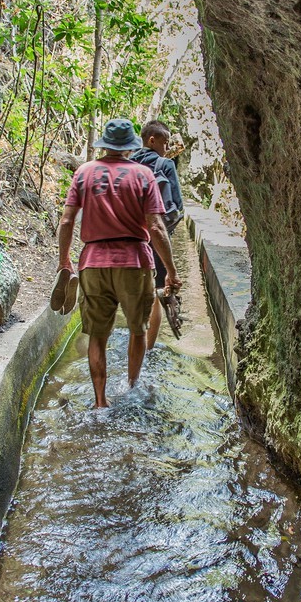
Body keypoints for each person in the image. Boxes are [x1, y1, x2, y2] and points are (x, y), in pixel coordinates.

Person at [56, 118, 181, 408]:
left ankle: (100, 401)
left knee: (97, 334)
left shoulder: (84, 172)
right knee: (137, 328)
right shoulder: (143, 175)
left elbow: (66, 220)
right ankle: (132, 386)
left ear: (104, 143)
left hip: (92, 262)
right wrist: (171, 271)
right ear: (131, 146)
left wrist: (65, 261)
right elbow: (157, 227)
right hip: (134, 261)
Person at [132, 119, 185, 350]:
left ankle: (132, 343)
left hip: (130, 240)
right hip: (155, 238)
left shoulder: (126, 164)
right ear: (152, 140)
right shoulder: (165, 164)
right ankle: (147, 351)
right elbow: (177, 207)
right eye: (165, 142)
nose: (166, 147)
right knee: (154, 294)